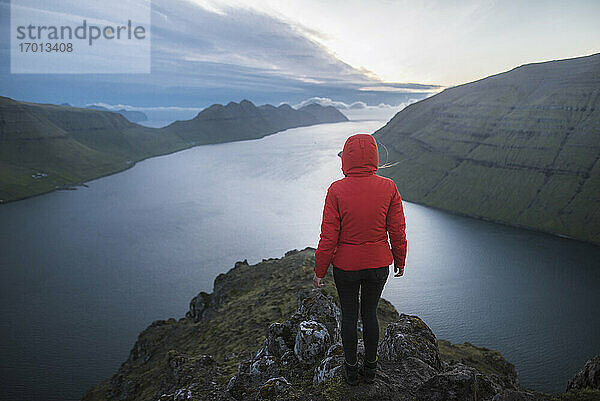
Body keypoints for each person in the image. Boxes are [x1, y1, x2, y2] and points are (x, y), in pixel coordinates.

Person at [313, 133, 407, 386]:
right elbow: (397, 230)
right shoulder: (389, 187)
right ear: (375, 157)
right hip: (378, 265)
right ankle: (371, 369)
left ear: (347, 158)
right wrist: (400, 259)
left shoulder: (336, 189)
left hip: (345, 267)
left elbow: (328, 236)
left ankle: (351, 371)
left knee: (349, 316)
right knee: (370, 314)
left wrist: (319, 270)